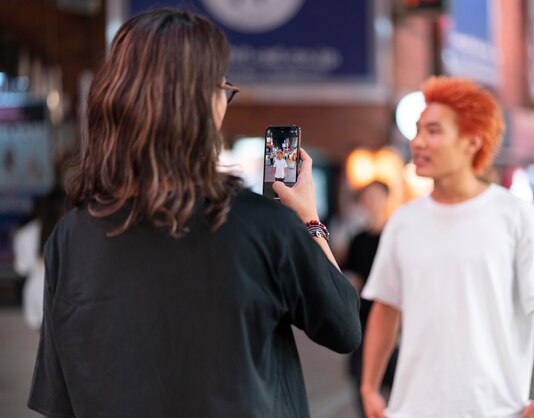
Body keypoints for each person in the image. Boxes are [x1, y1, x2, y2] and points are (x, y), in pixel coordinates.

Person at [28, 9, 361, 418]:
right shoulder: (261, 225)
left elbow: (58, 400)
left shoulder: (70, 237)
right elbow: (344, 325)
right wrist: (309, 219)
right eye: (223, 89)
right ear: (201, 103)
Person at [360, 76, 534, 418]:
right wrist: (369, 387)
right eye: (417, 130)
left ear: (472, 142)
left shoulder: (514, 215)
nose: (418, 142)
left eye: (433, 131)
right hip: (413, 408)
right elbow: (385, 309)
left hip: (497, 408)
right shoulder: (403, 222)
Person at [343, 181, 398, 417]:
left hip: (394, 323)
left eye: (377, 196)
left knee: (397, 389)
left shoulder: (395, 237)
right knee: (361, 383)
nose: (372, 202)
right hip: (363, 320)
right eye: (368, 197)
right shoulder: (357, 239)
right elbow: (350, 275)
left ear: (386, 200)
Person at [12, 189, 67, 330]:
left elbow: (21, 268)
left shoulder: (25, 233)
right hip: (64, 296)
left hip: (35, 296)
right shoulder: (68, 231)